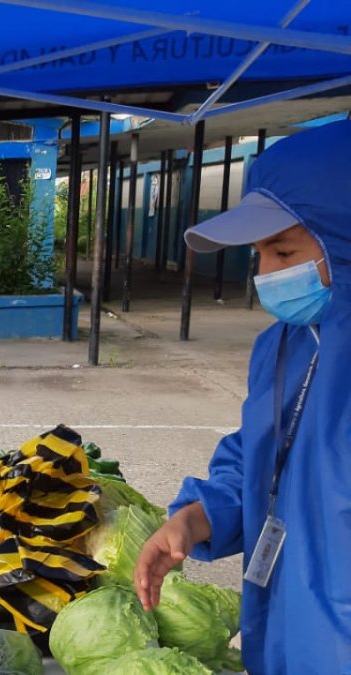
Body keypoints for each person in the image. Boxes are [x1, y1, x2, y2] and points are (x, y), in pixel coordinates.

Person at [134, 120, 351, 673]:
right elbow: (264, 461)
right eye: (259, 255)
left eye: (283, 251)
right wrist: (197, 518)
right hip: (281, 636)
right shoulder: (284, 345)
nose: (266, 274)